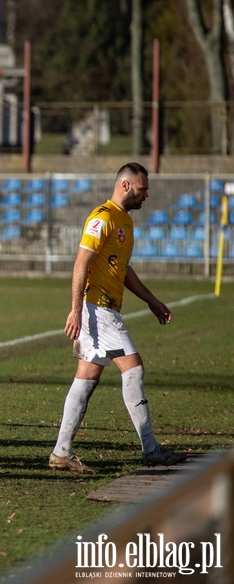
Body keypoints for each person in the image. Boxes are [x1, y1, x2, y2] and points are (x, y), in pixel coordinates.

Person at [50, 162, 187, 473]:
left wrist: (151, 300)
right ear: (126, 186)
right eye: (142, 189)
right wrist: (75, 308)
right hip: (97, 307)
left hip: (105, 308)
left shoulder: (124, 220)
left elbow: (123, 271)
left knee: (86, 378)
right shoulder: (102, 219)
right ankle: (150, 449)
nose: (146, 195)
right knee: (134, 369)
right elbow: (80, 264)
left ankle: (61, 451)